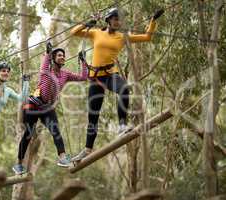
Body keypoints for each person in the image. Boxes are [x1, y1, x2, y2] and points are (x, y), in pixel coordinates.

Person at [70, 8, 164, 161]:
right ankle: (87, 149)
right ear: (108, 20)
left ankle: (122, 125)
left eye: (120, 20)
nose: (118, 22)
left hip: (110, 75)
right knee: (93, 115)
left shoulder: (122, 37)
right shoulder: (96, 33)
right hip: (96, 79)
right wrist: (86, 24)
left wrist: (153, 20)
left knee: (125, 88)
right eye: (115, 19)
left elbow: (147, 37)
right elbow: (74, 32)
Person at [12, 42, 88, 174]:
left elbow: (83, 77)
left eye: (63, 55)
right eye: (59, 55)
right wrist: (48, 52)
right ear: (53, 58)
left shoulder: (65, 74)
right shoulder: (46, 71)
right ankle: (18, 163)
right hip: (33, 104)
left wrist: (83, 61)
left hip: (47, 107)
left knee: (56, 131)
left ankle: (62, 157)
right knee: (29, 134)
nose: (62, 57)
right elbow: (45, 63)